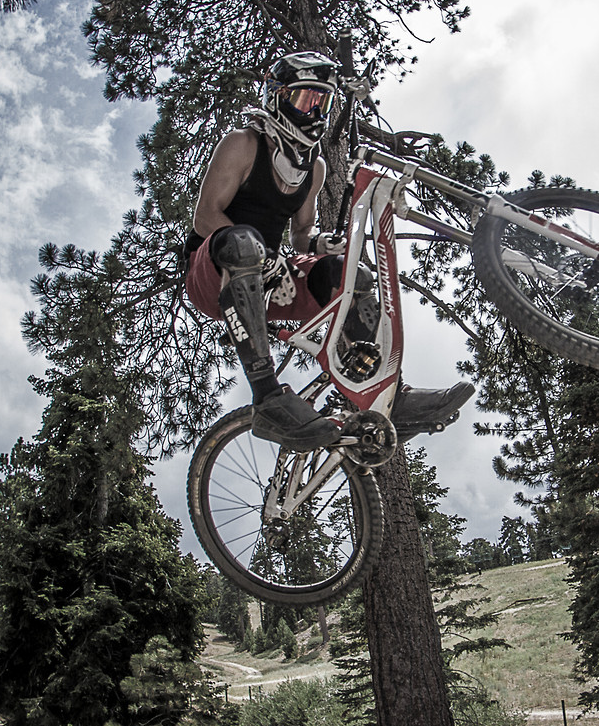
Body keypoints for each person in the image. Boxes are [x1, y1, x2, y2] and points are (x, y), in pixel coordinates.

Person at [184, 51, 474, 449]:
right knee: (243, 242)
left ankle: (386, 395)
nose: (314, 112)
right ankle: (268, 397)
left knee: (351, 272)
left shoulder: (313, 167)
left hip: (267, 276)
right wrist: (262, 257)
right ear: (276, 98)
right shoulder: (243, 144)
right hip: (212, 274)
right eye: (304, 100)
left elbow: (301, 235)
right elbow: (205, 216)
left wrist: (322, 245)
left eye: (322, 102)